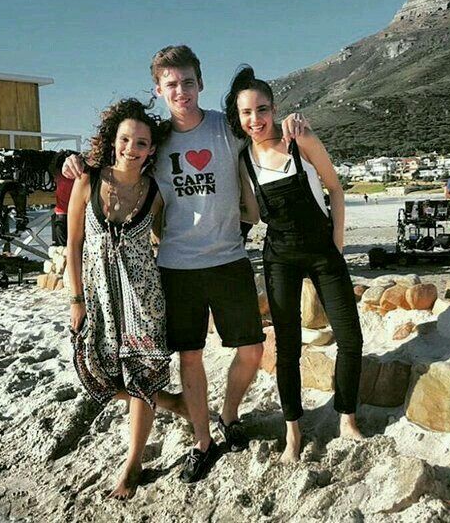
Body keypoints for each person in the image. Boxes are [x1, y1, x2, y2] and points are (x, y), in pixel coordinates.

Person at [63, 45, 308, 483]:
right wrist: (71, 162)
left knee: (251, 351)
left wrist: (290, 124)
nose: (181, 91)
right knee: (190, 358)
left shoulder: (225, 127)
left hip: (229, 257)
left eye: (188, 82)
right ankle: (202, 441)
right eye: (171, 84)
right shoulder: (155, 141)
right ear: (159, 89)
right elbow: (118, 163)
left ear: (201, 84)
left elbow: (262, 129)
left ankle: (229, 413)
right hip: (176, 267)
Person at [224, 66, 364, 463]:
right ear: (239, 117)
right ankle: (293, 432)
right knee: (287, 349)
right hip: (279, 257)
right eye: (247, 113)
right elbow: (253, 215)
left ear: (274, 109)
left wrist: (337, 244)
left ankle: (347, 418)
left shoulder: (300, 139)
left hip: (323, 252)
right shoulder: (244, 161)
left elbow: (335, 189)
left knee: (350, 339)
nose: (255, 119)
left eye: (262, 109)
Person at [66, 98, 186, 500]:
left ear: (151, 150)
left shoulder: (156, 192)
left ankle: (133, 463)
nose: (131, 149)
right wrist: (76, 300)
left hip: (143, 301)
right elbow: (73, 245)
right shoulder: (87, 182)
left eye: (141, 143)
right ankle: (171, 402)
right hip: (98, 299)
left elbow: (169, 238)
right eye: (125, 139)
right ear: (112, 140)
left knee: (142, 375)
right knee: (93, 370)